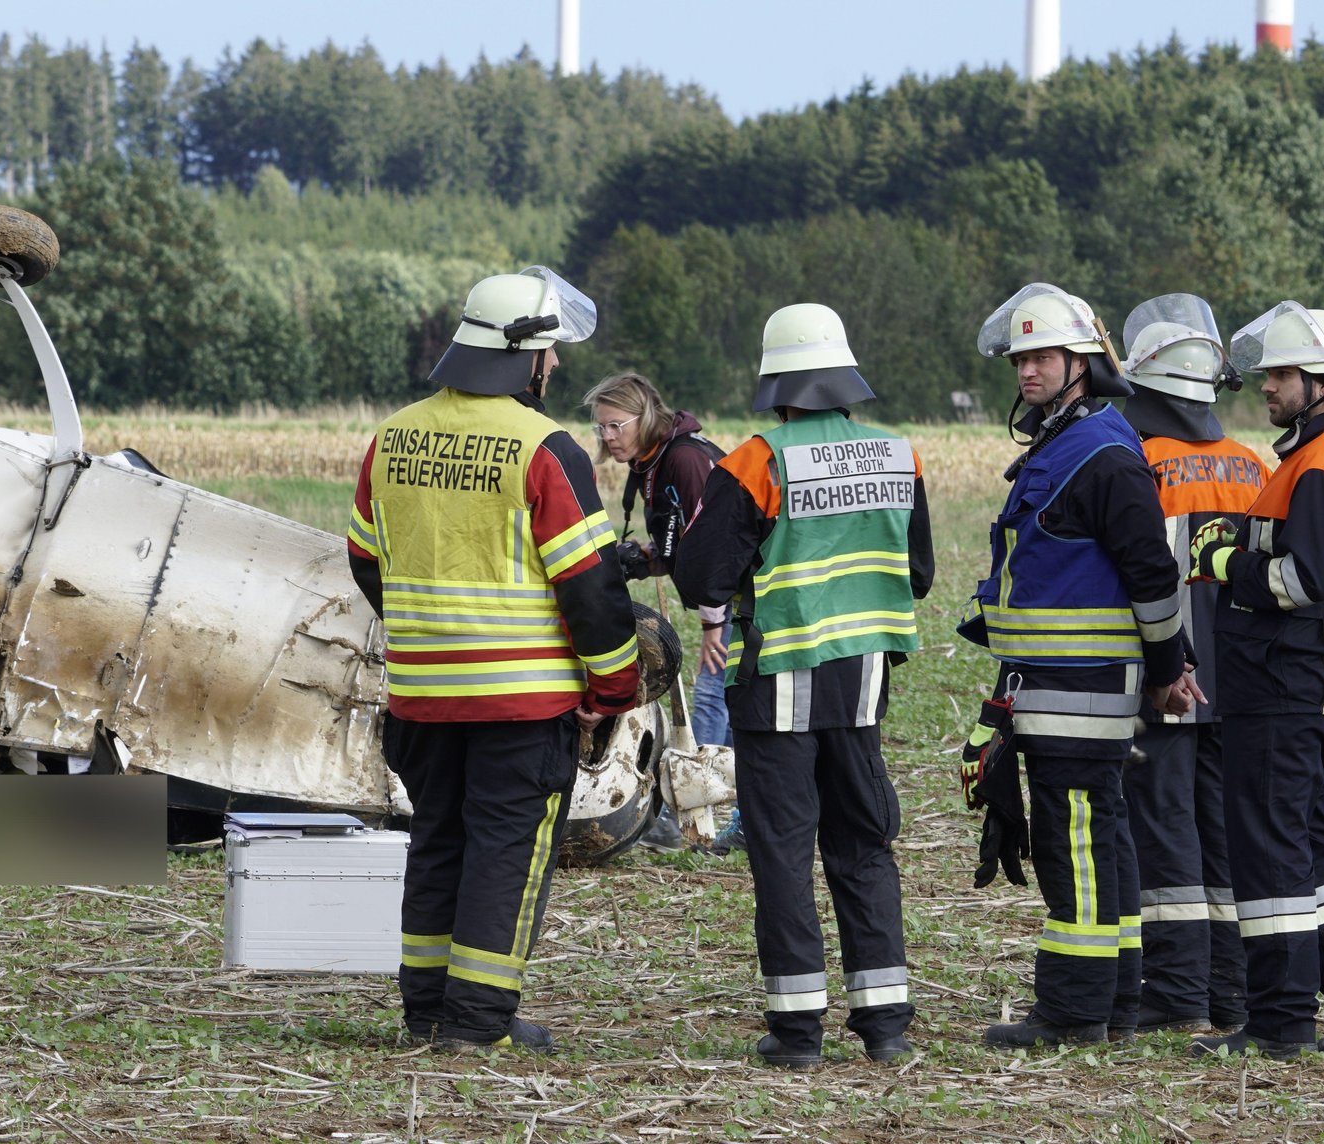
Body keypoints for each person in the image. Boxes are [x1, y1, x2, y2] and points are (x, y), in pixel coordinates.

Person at [347, 266, 642, 1052]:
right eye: (553, 355)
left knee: (438, 840)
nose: (556, 369)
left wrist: (425, 630)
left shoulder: (392, 436)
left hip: (420, 697)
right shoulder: (543, 448)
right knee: (504, 853)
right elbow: (591, 587)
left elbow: (364, 559)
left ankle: (425, 1012)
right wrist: (612, 686)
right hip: (523, 702)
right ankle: (477, 1023)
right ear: (530, 357)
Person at [672, 302, 932, 1069]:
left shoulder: (757, 461)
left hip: (779, 680)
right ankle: (885, 1023)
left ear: (776, 382)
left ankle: (797, 1032)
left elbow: (701, 575)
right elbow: (917, 573)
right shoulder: (898, 455)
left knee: (784, 854)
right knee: (863, 843)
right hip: (861, 684)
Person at [959, 283, 1201, 1048]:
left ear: (1083, 364)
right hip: (1051, 686)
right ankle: (1118, 1003)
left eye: (1042, 356)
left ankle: (1074, 1011)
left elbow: (1153, 580)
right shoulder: (1068, 443)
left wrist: (1167, 669)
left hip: (1082, 693)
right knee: (1104, 842)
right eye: (1021, 357)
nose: (1026, 370)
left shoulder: (1103, 455)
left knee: (1075, 850)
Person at [1184, 301, 1324, 1061]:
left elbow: (1303, 578)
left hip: (1287, 686)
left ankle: (1279, 1022)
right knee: (1312, 851)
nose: (1267, 386)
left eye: (1281, 374)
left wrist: (1221, 564)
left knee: (1273, 857)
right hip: (1312, 685)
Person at [1115, 295, 1269, 1034]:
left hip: (1166, 681)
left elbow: (1141, 579)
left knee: (1165, 832)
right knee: (1223, 835)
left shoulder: (1139, 462)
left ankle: (1175, 990)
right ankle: (1230, 990)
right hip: (1236, 684)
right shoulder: (1249, 463)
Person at [581, 371, 736, 852]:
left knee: (711, 703)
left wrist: (714, 623)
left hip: (740, 594)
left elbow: (715, 541)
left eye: (615, 425)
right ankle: (732, 824)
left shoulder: (685, 460)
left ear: (643, 418)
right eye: (600, 428)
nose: (608, 437)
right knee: (733, 704)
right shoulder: (654, 461)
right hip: (728, 595)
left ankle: (683, 820)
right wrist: (645, 558)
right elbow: (678, 538)